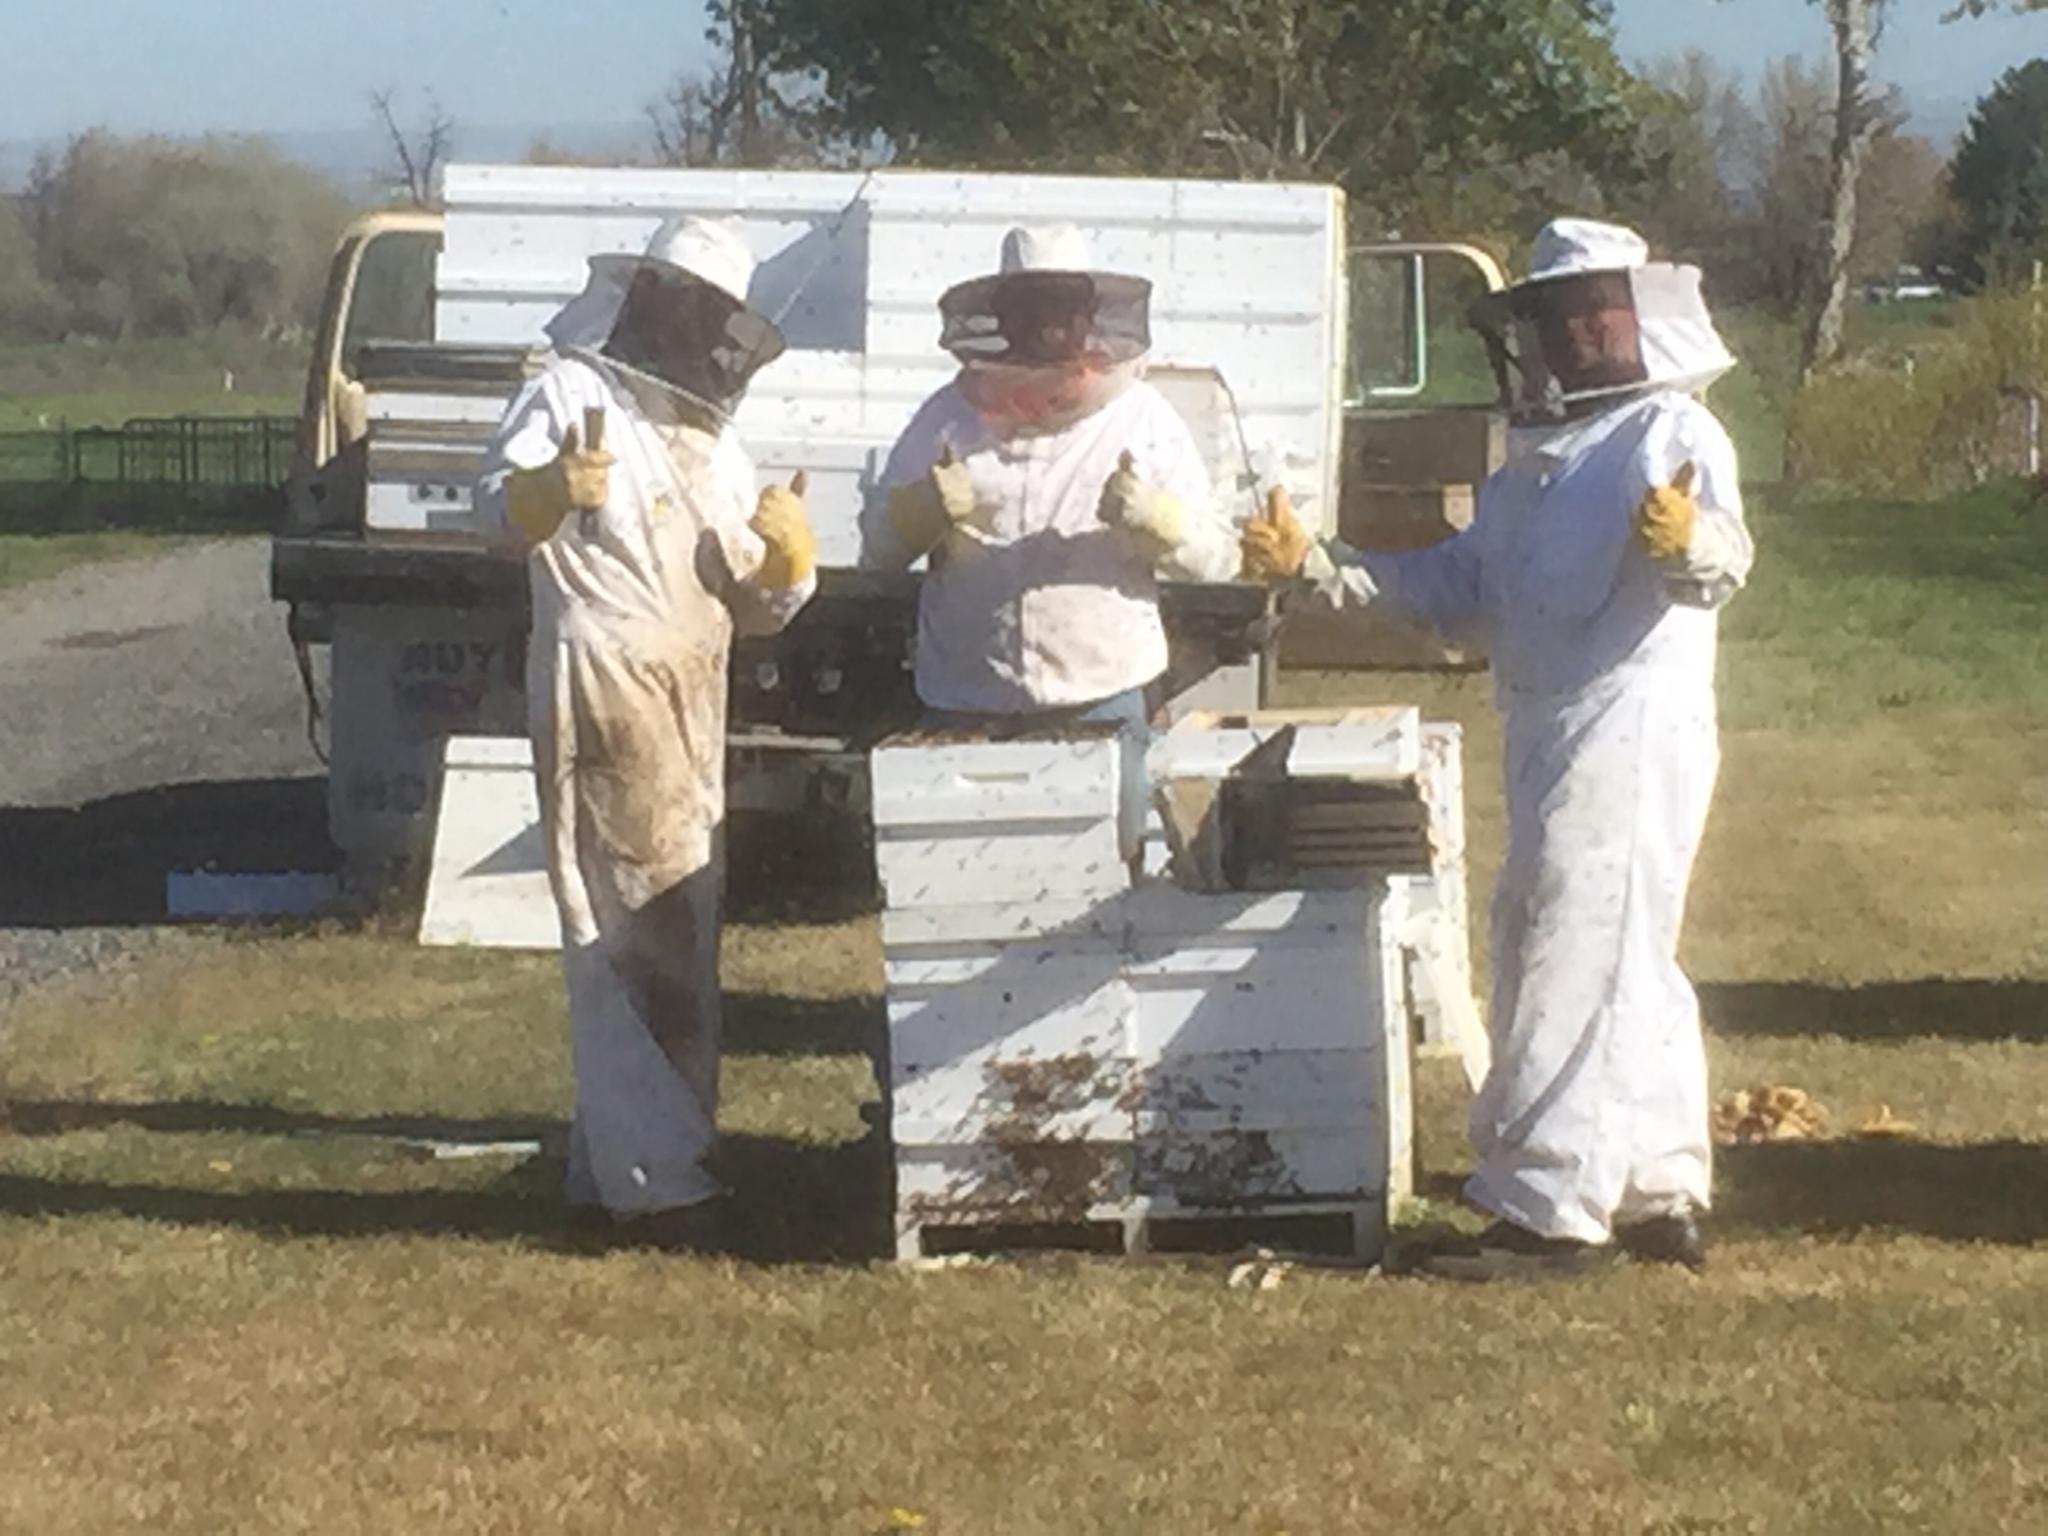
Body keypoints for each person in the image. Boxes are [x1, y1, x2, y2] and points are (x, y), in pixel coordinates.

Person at [1242, 218, 1753, 1280]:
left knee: (1570, 945)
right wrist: (1322, 564)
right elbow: (1454, 590)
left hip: (1630, 719)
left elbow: (1719, 561)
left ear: (1640, 313)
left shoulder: (1670, 432)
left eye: (1593, 312)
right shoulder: (1534, 464)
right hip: (1549, 722)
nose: (1574, 336)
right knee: (1618, 950)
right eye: (1554, 317)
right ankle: (1657, 1191)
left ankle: (1547, 1210)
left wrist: (1687, 541)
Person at [474, 215, 819, 1249]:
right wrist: (545, 490)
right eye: (683, 305)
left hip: (691, 691)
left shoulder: (714, 435)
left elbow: (756, 601)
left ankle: (621, 1165)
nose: (697, 330)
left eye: (714, 316)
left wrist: (788, 565)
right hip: (605, 682)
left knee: (677, 925)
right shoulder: (571, 393)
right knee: (621, 933)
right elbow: (492, 516)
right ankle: (661, 1188)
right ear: (645, 298)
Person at [860, 224, 1239, 861]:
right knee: (964, 887)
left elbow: (1219, 559)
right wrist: (920, 512)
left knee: (1108, 890)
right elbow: (877, 551)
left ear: (1088, 317)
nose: (1046, 329)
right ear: (1001, 316)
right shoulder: (947, 416)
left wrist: (1159, 521)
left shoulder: (1141, 415)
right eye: (1029, 311)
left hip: (1104, 697)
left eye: (1061, 311)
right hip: (965, 704)